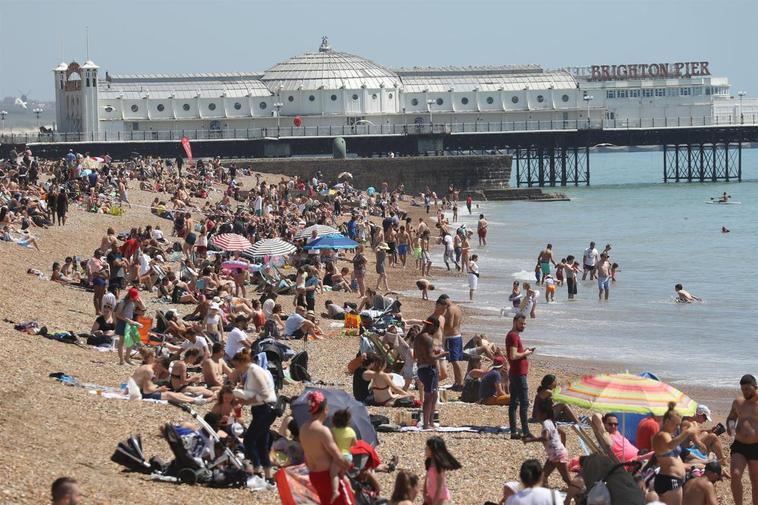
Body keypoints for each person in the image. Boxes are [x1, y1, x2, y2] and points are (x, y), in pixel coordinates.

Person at [231, 349, 277, 482]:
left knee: (249, 441)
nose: (236, 369)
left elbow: (264, 394)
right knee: (262, 443)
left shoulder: (255, 371)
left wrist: (246, 401)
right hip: (262, 410)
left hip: (265, 409)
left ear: (242, 362)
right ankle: (268, 476)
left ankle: (256, 470)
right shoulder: (250, 372)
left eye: (236, 365)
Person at [300, 391, 354, 505]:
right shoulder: (322, 430)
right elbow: (337, 456)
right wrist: (349, 465)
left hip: (314, 476)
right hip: (327, 476)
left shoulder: (303, 428)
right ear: (325, 409)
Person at [652, 402, 698, 505]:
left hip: (671, 479)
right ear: (667, 421)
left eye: (678, 425)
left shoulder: (667, 435)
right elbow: (670, 445)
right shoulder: (661, 435)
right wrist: (687, 432)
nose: (677, 428)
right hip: (669, 479)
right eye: (676, 424)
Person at [726, 373, 758, 505]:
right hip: (739, 445)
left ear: (755, 386)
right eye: (742, 389)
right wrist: (731, 427)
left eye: (747, 389)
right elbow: (731, 418)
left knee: (755, 480)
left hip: (756, 446)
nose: (744, 392)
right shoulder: (738, 402)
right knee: (736, 474)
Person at [522, 407, 572, 487]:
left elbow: (545, 438)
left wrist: (530, 440)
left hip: (557, 454)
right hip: (556, 454)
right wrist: (562, 447)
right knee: (543, 476)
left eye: (538, 413)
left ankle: (579, 494)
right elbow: (563, 433)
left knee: (567, 479)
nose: (536, 414)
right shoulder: (551, 422)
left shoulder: (545, 423)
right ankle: (545, 491)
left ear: (544, 414)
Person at [414, 318, 446, 429]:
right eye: (436, 329)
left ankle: (430, 422)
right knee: (429, 398)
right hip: (429, 370)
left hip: (422, 369)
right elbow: (431, 358)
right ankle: (427, 424)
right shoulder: (427, 338)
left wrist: (433, 353)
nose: (436, 331)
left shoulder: (418, 337)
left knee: (434, 395)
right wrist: (443, 354)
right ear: (433, 326)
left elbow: (416, 355)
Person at [506, 314, 534, 439]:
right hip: (518, 373)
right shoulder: (513, 336)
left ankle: (514, 432)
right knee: (523, 402)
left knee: (514, 402)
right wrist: (526, 353)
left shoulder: (514, 336)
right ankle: (525, 432)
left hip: (516, 372)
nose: (523, 326)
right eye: (521, 323)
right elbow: (513, 356)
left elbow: (514, 354)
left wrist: (524, 353)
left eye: (525, 324)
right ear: (515, 322)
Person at [329, 409, 357, 502]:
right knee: (342, 475)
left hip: (338, 456)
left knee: (333, 474)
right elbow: (354, 443)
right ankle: (351, 489)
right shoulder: (351, 431)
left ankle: (335, 491)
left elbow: (330, 443)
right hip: (348, 457)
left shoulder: (332, 431)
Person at [424, 436, 461, 505]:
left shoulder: (439, 466)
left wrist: (434, 501)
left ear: (433, 450)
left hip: (439, 495)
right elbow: (426, 479)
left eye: (427, 448)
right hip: (430, 493)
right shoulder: (429, 462)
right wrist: (425, 493)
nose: (425, 449)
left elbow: (440, 486)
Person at [113, 287, 145, 365]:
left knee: (131, 341)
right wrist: (129, 321)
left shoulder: (133, 301)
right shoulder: (123, 302)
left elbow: (143, 308)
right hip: (123, 322)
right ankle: (121, 360)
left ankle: (127, 359)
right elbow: (117, 314)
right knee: (122, 341)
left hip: (130, 323)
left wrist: (139, 300)